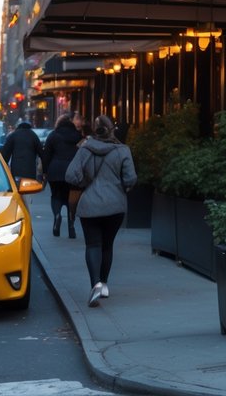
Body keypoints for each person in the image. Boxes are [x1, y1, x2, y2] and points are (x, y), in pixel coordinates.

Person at [65, 115, 137, 308]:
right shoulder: (123, 151)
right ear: (112, 129)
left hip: (89, 206)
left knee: (93, 245)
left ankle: (95, 284)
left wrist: (85, 182)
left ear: (93, 131)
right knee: (107, 245)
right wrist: (120, 187)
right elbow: (130, 179)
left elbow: (70, 175)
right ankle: (104, 284)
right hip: (115, 206)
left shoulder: (85, 149)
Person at [41, 114, 84, 238]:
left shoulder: (53, 135)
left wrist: (45, 172)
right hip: (73, 170)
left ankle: (57, 215)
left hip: (55, 170)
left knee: (56, 195)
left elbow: (46, 155)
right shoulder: (78, 136)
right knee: (71, 199)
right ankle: (71, 225)